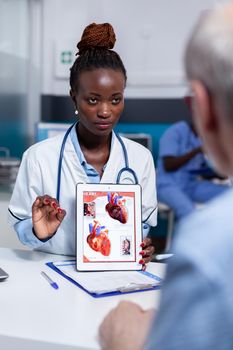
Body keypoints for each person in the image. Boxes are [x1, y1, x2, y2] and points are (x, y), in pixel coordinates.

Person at [99, 3, 233, 349]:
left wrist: (123, 340)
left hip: (196, 184)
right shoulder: (176, 133)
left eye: (116, 99)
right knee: (188, 211)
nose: (104, 109)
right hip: (174, 182)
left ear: (201, 105)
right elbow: (171, 167)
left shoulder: (210, 246)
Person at [8, 23, 157, 266]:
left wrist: (139, 245)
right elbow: (22, 227)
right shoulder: (38, 157)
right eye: (93, 100)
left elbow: (141, 226)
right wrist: (39, 232)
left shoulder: (140, 159)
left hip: (115, 275)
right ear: (74, 97)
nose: (106, 111)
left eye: (116, 100)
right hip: (52, 271)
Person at [156, 117, 228, 219]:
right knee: (189, 212)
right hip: (168, 185)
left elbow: (200, 170)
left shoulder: (202, 138)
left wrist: (220, 173)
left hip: (191, 184)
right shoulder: (175, 132)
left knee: (228, 195)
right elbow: (168, 165)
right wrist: (197, 151)